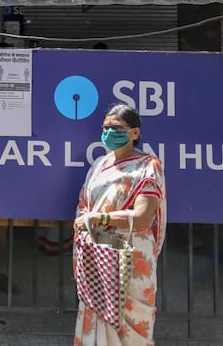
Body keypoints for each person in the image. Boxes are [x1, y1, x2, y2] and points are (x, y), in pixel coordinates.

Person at [72, 103, 167, 344]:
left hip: (131, 261)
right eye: (105, 127)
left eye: (116, 127)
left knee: (132, 332)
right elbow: (85, 206)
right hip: (98, 257)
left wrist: (99, 219)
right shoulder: (99, 165)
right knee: (96, 321)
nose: (109, 132)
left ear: (135, 133)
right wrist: (86, 226)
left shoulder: (148, 165)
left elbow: (144, 217)